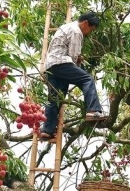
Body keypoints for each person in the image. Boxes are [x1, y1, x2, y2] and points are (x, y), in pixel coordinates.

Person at [39, 11, 109, 140]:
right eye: (91, 29)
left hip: (50, 66)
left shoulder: (66, 27)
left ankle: (47, 130)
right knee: (87, 79)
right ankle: (93, 111)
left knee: (55, 98)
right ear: (85, 23)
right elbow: (73, 55)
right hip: (61, 62)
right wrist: (77, 62)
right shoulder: (76, 31)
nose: (89, 32)